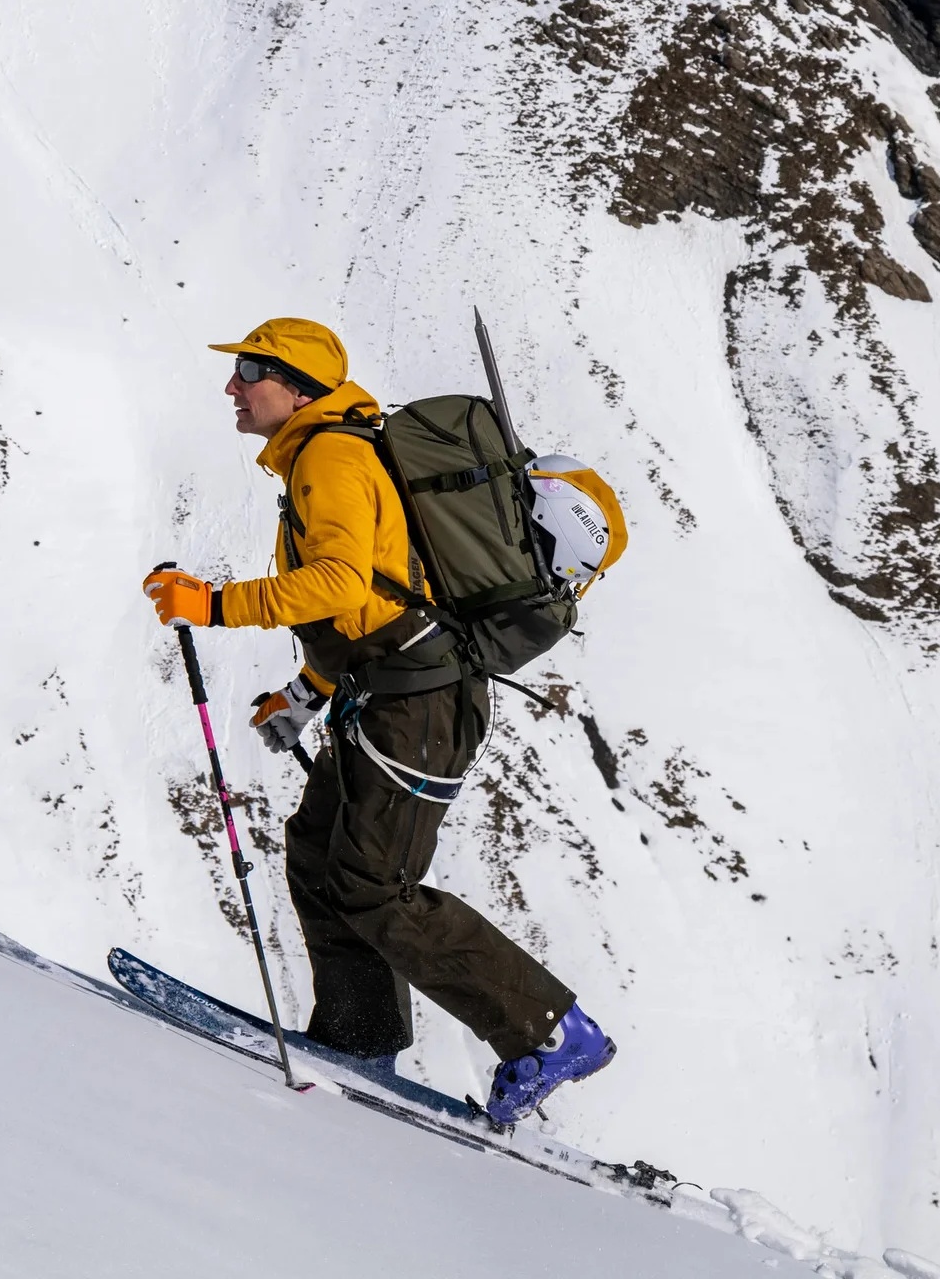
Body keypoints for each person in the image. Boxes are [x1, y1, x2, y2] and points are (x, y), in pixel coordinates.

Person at [141, 316, 614, 1126]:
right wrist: (308, 691)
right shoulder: (325, 453)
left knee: (374, 886)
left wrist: (212, 604)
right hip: (390, 692)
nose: (233, 387)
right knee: (317, 851)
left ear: (299, 389)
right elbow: (382, 598)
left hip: (420, 706)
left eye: (250, 371)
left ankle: (551, 1031)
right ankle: (360, 1036)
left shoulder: (331, 456)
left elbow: (337, 583)